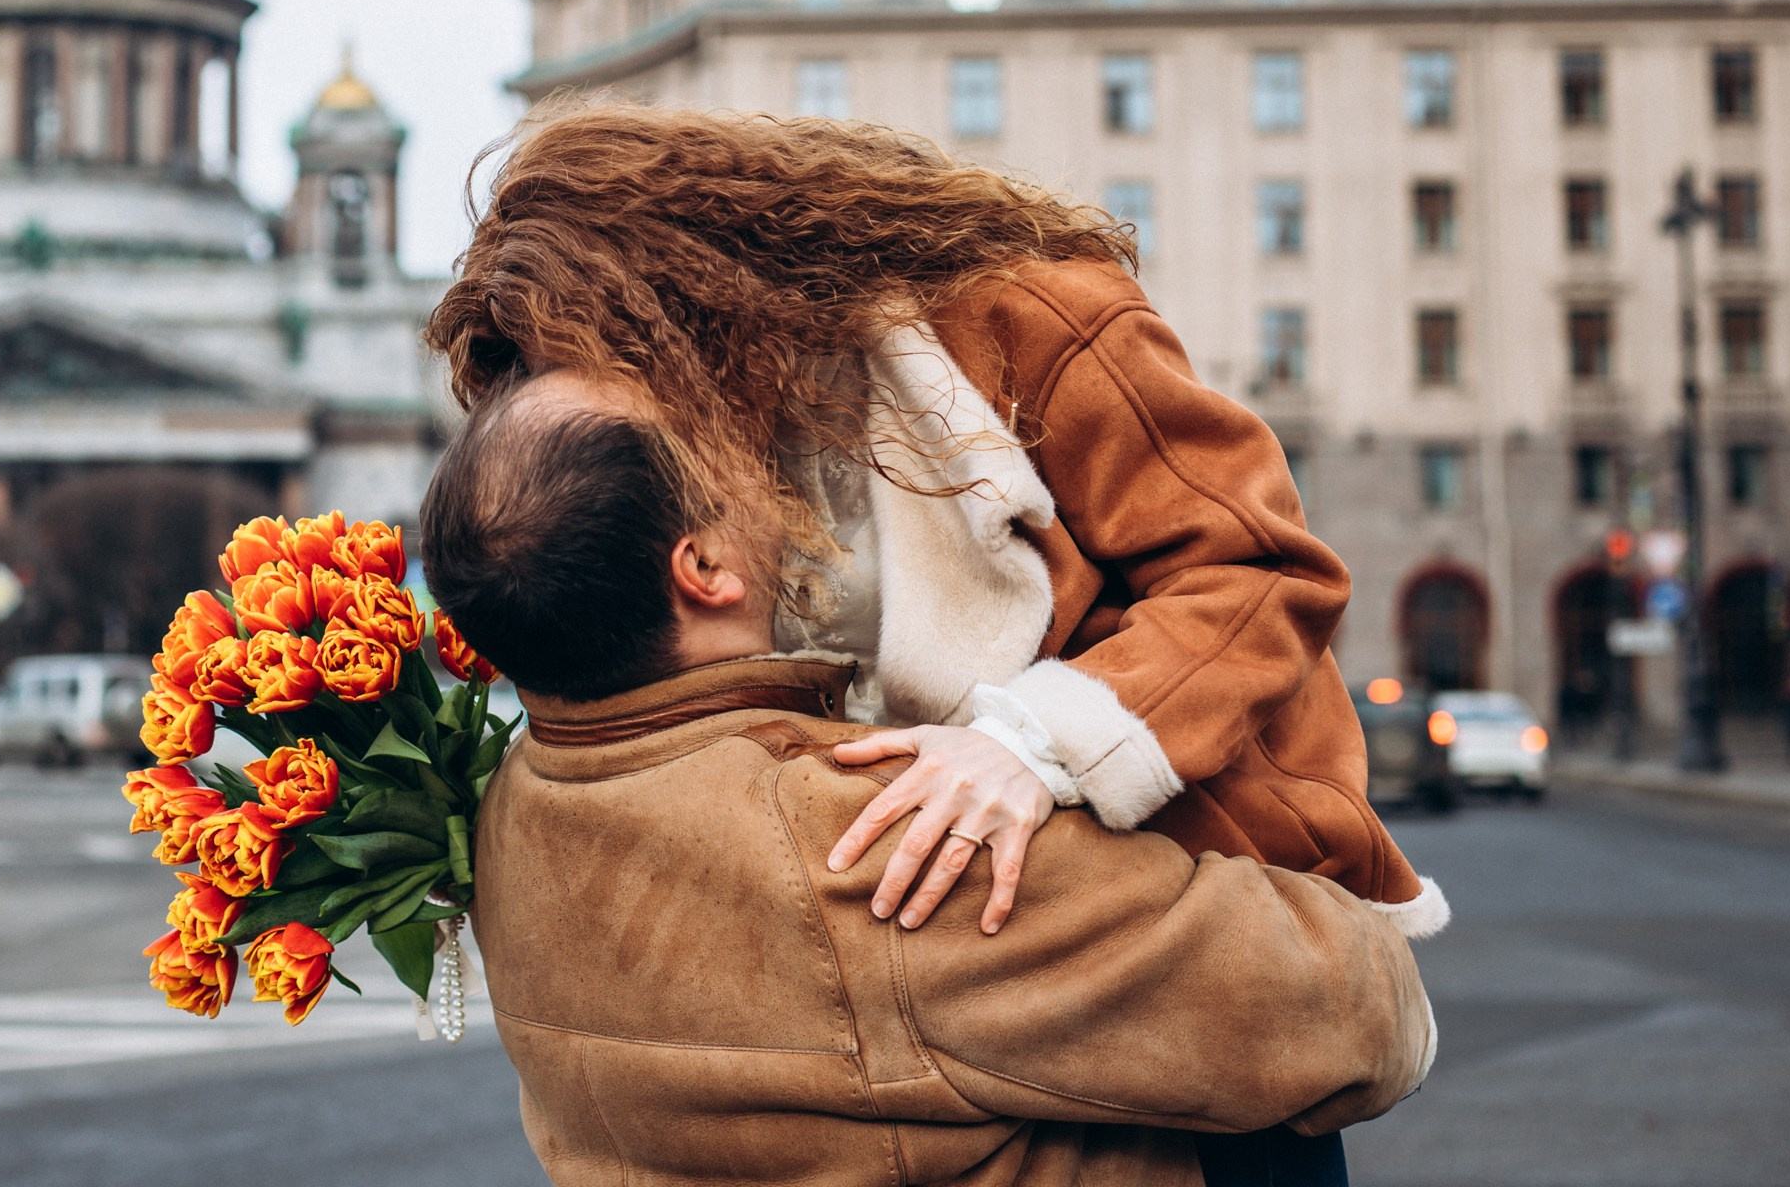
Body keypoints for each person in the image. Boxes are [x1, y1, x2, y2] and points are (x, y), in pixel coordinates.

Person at [423, 102, 1446, 942]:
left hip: (1217, 893)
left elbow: (1262, 571)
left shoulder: (1026, 316)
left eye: (583, 371)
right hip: (983, 950)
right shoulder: (709, 458)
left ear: (669, 308)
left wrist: (1039, 744)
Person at [425, 371, 1437, 1187]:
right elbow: (1360, 1016)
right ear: (705, 570)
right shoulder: (869, 842)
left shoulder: (509, 818)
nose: (758, 446)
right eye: (712, 439)